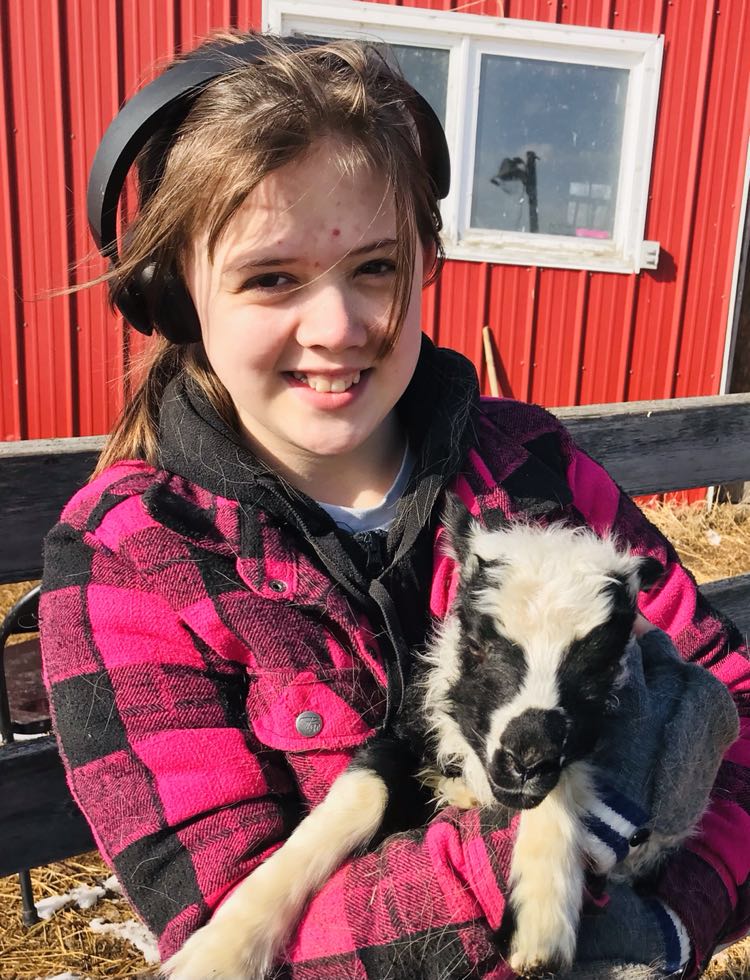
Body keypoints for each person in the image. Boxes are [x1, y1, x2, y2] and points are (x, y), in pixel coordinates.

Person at [39, 31, 749, 980]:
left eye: (375, 267)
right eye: (271, 278)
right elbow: (231, 934)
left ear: (425, 262)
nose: (338, 327)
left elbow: (732, 703)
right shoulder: (135, 560)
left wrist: (672, 924)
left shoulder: (530, 471)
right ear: (175, 296)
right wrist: (540, 852)